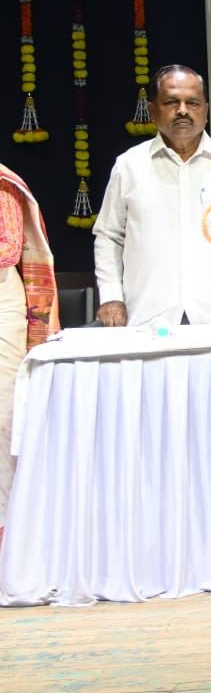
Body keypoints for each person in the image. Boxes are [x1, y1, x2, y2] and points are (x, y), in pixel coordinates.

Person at [92, 65, 211, 329]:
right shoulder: (129, 166)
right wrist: (111, 296)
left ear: (205, 111)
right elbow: (109, 236)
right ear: (152, 110)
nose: (183, 110)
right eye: (171, 102)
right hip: (147, 313)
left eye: (192, 103)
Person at [0, 162, 58, 544]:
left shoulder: (4, 183)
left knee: (4, 415)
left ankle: (8, 531)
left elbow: (9, 246)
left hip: (2, 298)